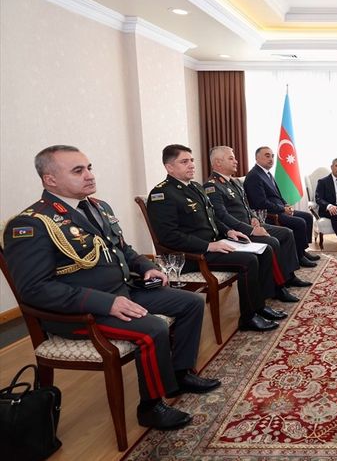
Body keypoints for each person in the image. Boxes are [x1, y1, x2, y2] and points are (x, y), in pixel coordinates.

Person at [3, 145, 220, 430]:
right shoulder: (31, 224)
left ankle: (181, 374)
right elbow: (35, 289)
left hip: (123, 291)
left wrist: (147, 267)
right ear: (50, 180)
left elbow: (123, 250)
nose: (89, 175)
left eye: (89, 167)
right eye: (78, 171)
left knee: (191, 302)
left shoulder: (98, 207)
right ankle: (151, 407)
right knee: (152, 328)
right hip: (80, 312)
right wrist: (106, 303)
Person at [146, 144, 286, 333]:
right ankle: (248, 318)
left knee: (264, 250)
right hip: (192, 255)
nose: (191, 165)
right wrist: (208, 246)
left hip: (214, 244)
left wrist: (229, 232)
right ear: (169, 167)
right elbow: (169, 237)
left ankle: (259, 306)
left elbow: (212, 218)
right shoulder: (162, 194)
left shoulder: (195, 187)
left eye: (192, 160)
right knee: (249, 260)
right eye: (184, 162)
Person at [206, 146, 311, 303]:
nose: (236, 161)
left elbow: (246, 207)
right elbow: (221, 216)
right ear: (218, 162)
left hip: (250, 225)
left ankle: (289, 276)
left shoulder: (234, 182)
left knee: (286, 233)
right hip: (237, 232)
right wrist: (251, 230)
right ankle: (277, 289)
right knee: (272, 242)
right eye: (231, 158)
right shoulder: (212, 186)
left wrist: (254, 218)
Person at [243, 146, 319, 267]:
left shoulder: (267, 174)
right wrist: (283, 209)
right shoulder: (254, 176)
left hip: (280, 209)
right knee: (300, 222)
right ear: (257, 158)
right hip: (270, 214)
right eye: (267, 156)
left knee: (308, 217)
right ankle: (299, 257)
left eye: (272, 156)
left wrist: (285, 204)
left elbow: (277, 195)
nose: (271, 159)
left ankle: (301, 250)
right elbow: (260, 202)